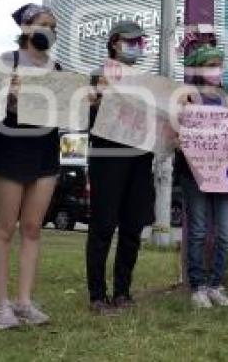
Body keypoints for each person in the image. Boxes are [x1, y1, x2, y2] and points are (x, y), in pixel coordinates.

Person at [0, 3, 61, 329]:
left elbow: (67, 111)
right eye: (43, 24)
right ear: (27, 28)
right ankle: (1, 306)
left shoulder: (58, 68)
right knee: (4, 229)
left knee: (32, 229)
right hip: (11, 147)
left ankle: (24, 301)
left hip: (46, 151)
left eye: (53, 27)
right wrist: (9, 94)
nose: (49, 31)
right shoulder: (7, 61)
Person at [85, 21, 156, 315]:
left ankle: (123, 291)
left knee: (132, 226)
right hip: (107, 156)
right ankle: (98, 295)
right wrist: (94, 101)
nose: (135, 46)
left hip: (141, 157)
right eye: (130, 40)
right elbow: (85, 114)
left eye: (140, 41)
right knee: (103, 225)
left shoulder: (147, 81)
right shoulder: (97, 75)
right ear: (114, 42)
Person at [176, 40, 228, 308]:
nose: (216, 69)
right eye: (210, 65)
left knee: (224, 232)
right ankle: (197, 286)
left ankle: (216, 284)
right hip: (194, 172)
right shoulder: (184, 95)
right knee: (199, 231)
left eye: (219, 65)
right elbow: (174, 130)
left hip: (224, 172)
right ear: (197, 69)